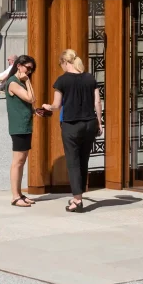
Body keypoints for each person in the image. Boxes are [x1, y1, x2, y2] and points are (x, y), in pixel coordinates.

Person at [42, 49, 102, 213]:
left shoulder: (62, 81)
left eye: (60, 64)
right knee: (84, 160)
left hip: (71, 125)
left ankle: (77, 200)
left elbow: (56, 105)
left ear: (64, 62)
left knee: (73, 162)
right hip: (90, 124)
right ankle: (79, 194)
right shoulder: (90, 78)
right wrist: (99, 123)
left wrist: (47, 106)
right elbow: (97, 102)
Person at [5, 54, 38, 207]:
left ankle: (19, 194)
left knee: (22, 161)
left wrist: (34, 111)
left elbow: (28, 103)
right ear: (19, 66)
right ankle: (15, 196)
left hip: (25, 126)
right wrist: (28, 81)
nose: (30, 71)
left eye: (32, 70)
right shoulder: (13, 83)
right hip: (18, 127)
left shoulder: (21, 82)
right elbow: (31, 98)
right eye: (28, 68)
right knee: (17, 162)